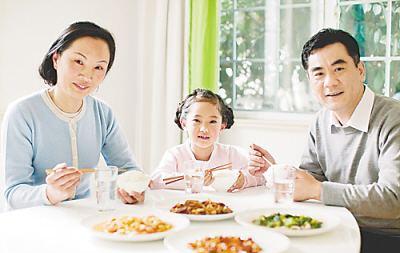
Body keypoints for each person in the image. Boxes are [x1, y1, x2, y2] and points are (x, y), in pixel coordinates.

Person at [249, 28, 400, 253]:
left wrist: (317, 190)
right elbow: (313, 179)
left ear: (360, 71)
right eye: (319, 73)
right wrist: (280, 172)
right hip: (336, 225)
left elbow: (393, 199)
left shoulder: (393, 118)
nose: (330, 81)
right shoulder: (321, 119)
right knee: (263, 245)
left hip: (386, 238)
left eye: (339, 68)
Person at [2, 21, 143, 209]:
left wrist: (133, 187)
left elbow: (128, 170)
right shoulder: (22, 113)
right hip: (35, 221)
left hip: (85, 216)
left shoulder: (103, 113)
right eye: (78, 61)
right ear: (56, 59)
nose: (87, 76)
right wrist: (50, 193)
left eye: (98, 67)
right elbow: (13, 193)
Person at [150, 88, 264, 191]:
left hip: (223, 207)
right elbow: (156, 180)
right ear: (184, 123)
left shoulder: (231, 154)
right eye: (196, 121)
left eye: (212, 122)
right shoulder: (175, 154)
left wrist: (243, 180)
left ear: (222, 126)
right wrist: (194, 180)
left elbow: (261, 177)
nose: (204, 129)